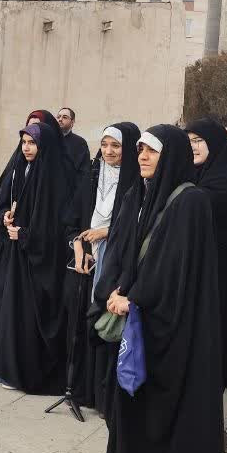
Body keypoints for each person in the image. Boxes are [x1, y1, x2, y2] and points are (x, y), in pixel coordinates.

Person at [100, 124, 225, 453]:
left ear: (170, 156)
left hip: (171, 320)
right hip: (147, 314)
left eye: (151, 151)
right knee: (136, 395)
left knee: (161, 402)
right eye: (140, 149)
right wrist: (120, 288)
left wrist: (133, 299)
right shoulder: (153, 193)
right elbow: (139, 252)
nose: (142, 156)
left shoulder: (190, 201)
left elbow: (172, 268)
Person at [0, 122, 70, 394]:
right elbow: (1, 207)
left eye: (32, 143)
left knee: (29, 315)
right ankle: (9, 369)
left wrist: (26, 235)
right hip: (16, 253)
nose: (27, 148)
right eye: (24, 143)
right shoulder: (18, 170)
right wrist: (5, 218)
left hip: (38, 259)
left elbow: (55, 224)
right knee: (10, 311)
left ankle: (26, 373)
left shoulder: (55, 177)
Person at [63, 123, 140, 412]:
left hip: (115, 266)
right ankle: (82, 389)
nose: (108, 151)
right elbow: (72, 221)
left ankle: (103, 397)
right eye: (104, 145)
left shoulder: (135, 183)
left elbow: (135, 227)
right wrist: (79, 247)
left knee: (105, 325)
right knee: (82, 323)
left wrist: (106, 232)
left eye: (116, 146)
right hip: (86, 263)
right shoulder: (92, 175)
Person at [186, 117, 227, 395]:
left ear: (214, 142)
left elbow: (199, 204)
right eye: (189, 142)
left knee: (218, 321)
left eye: (198, 140)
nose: (193, 147)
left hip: (224, 264)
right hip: (203, 261)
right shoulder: (197, 172)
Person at [57, 107, 92, 187]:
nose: (60, 119)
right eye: (58, 117)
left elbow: (83, 173)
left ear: (72, 122)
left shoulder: (80, 143)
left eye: (64, 117)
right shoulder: (50, 140)